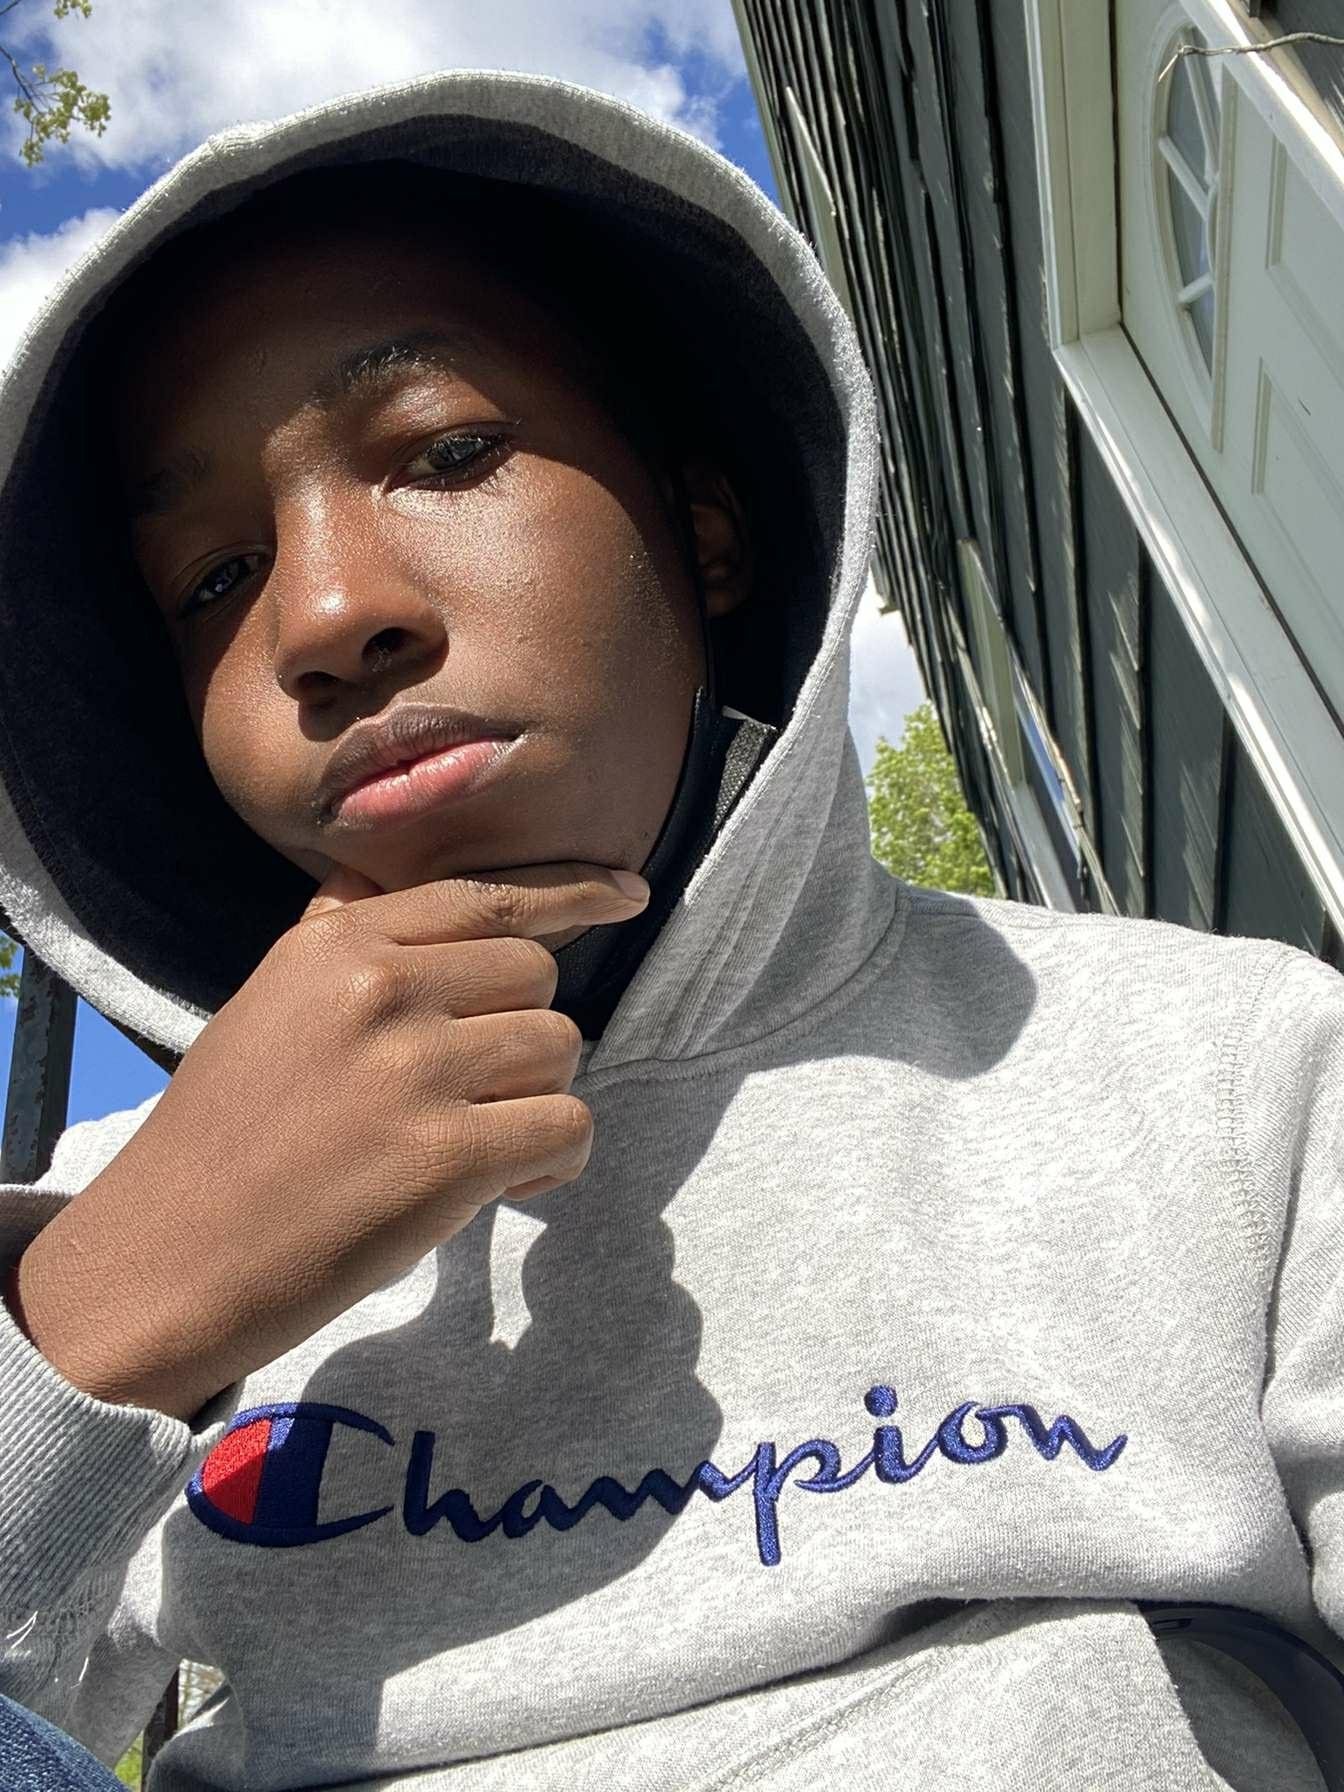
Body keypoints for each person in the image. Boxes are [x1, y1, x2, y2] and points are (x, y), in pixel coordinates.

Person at [0, 66, 1340, 1792]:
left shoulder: (1223, 1072)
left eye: (448, 453)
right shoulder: (118, 1208)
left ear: (703, 533)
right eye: (212, 579)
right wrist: (97, 1326)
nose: (324, 612)